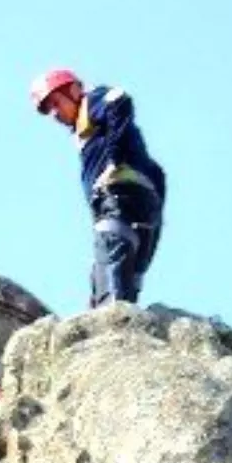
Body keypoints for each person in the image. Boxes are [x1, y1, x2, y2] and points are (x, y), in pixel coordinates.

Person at [30, 68, 166, 308]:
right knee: (127, 272)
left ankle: (110, 316)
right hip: (140, 204)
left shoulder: (91, 104)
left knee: (111, 253)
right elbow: (158, 174)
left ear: (73, 90)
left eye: (55, 103)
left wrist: (114, 160)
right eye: (49, 109)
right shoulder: (88, 133)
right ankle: (120, 313)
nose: (54, 114)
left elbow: (118, 98)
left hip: (117, 196)